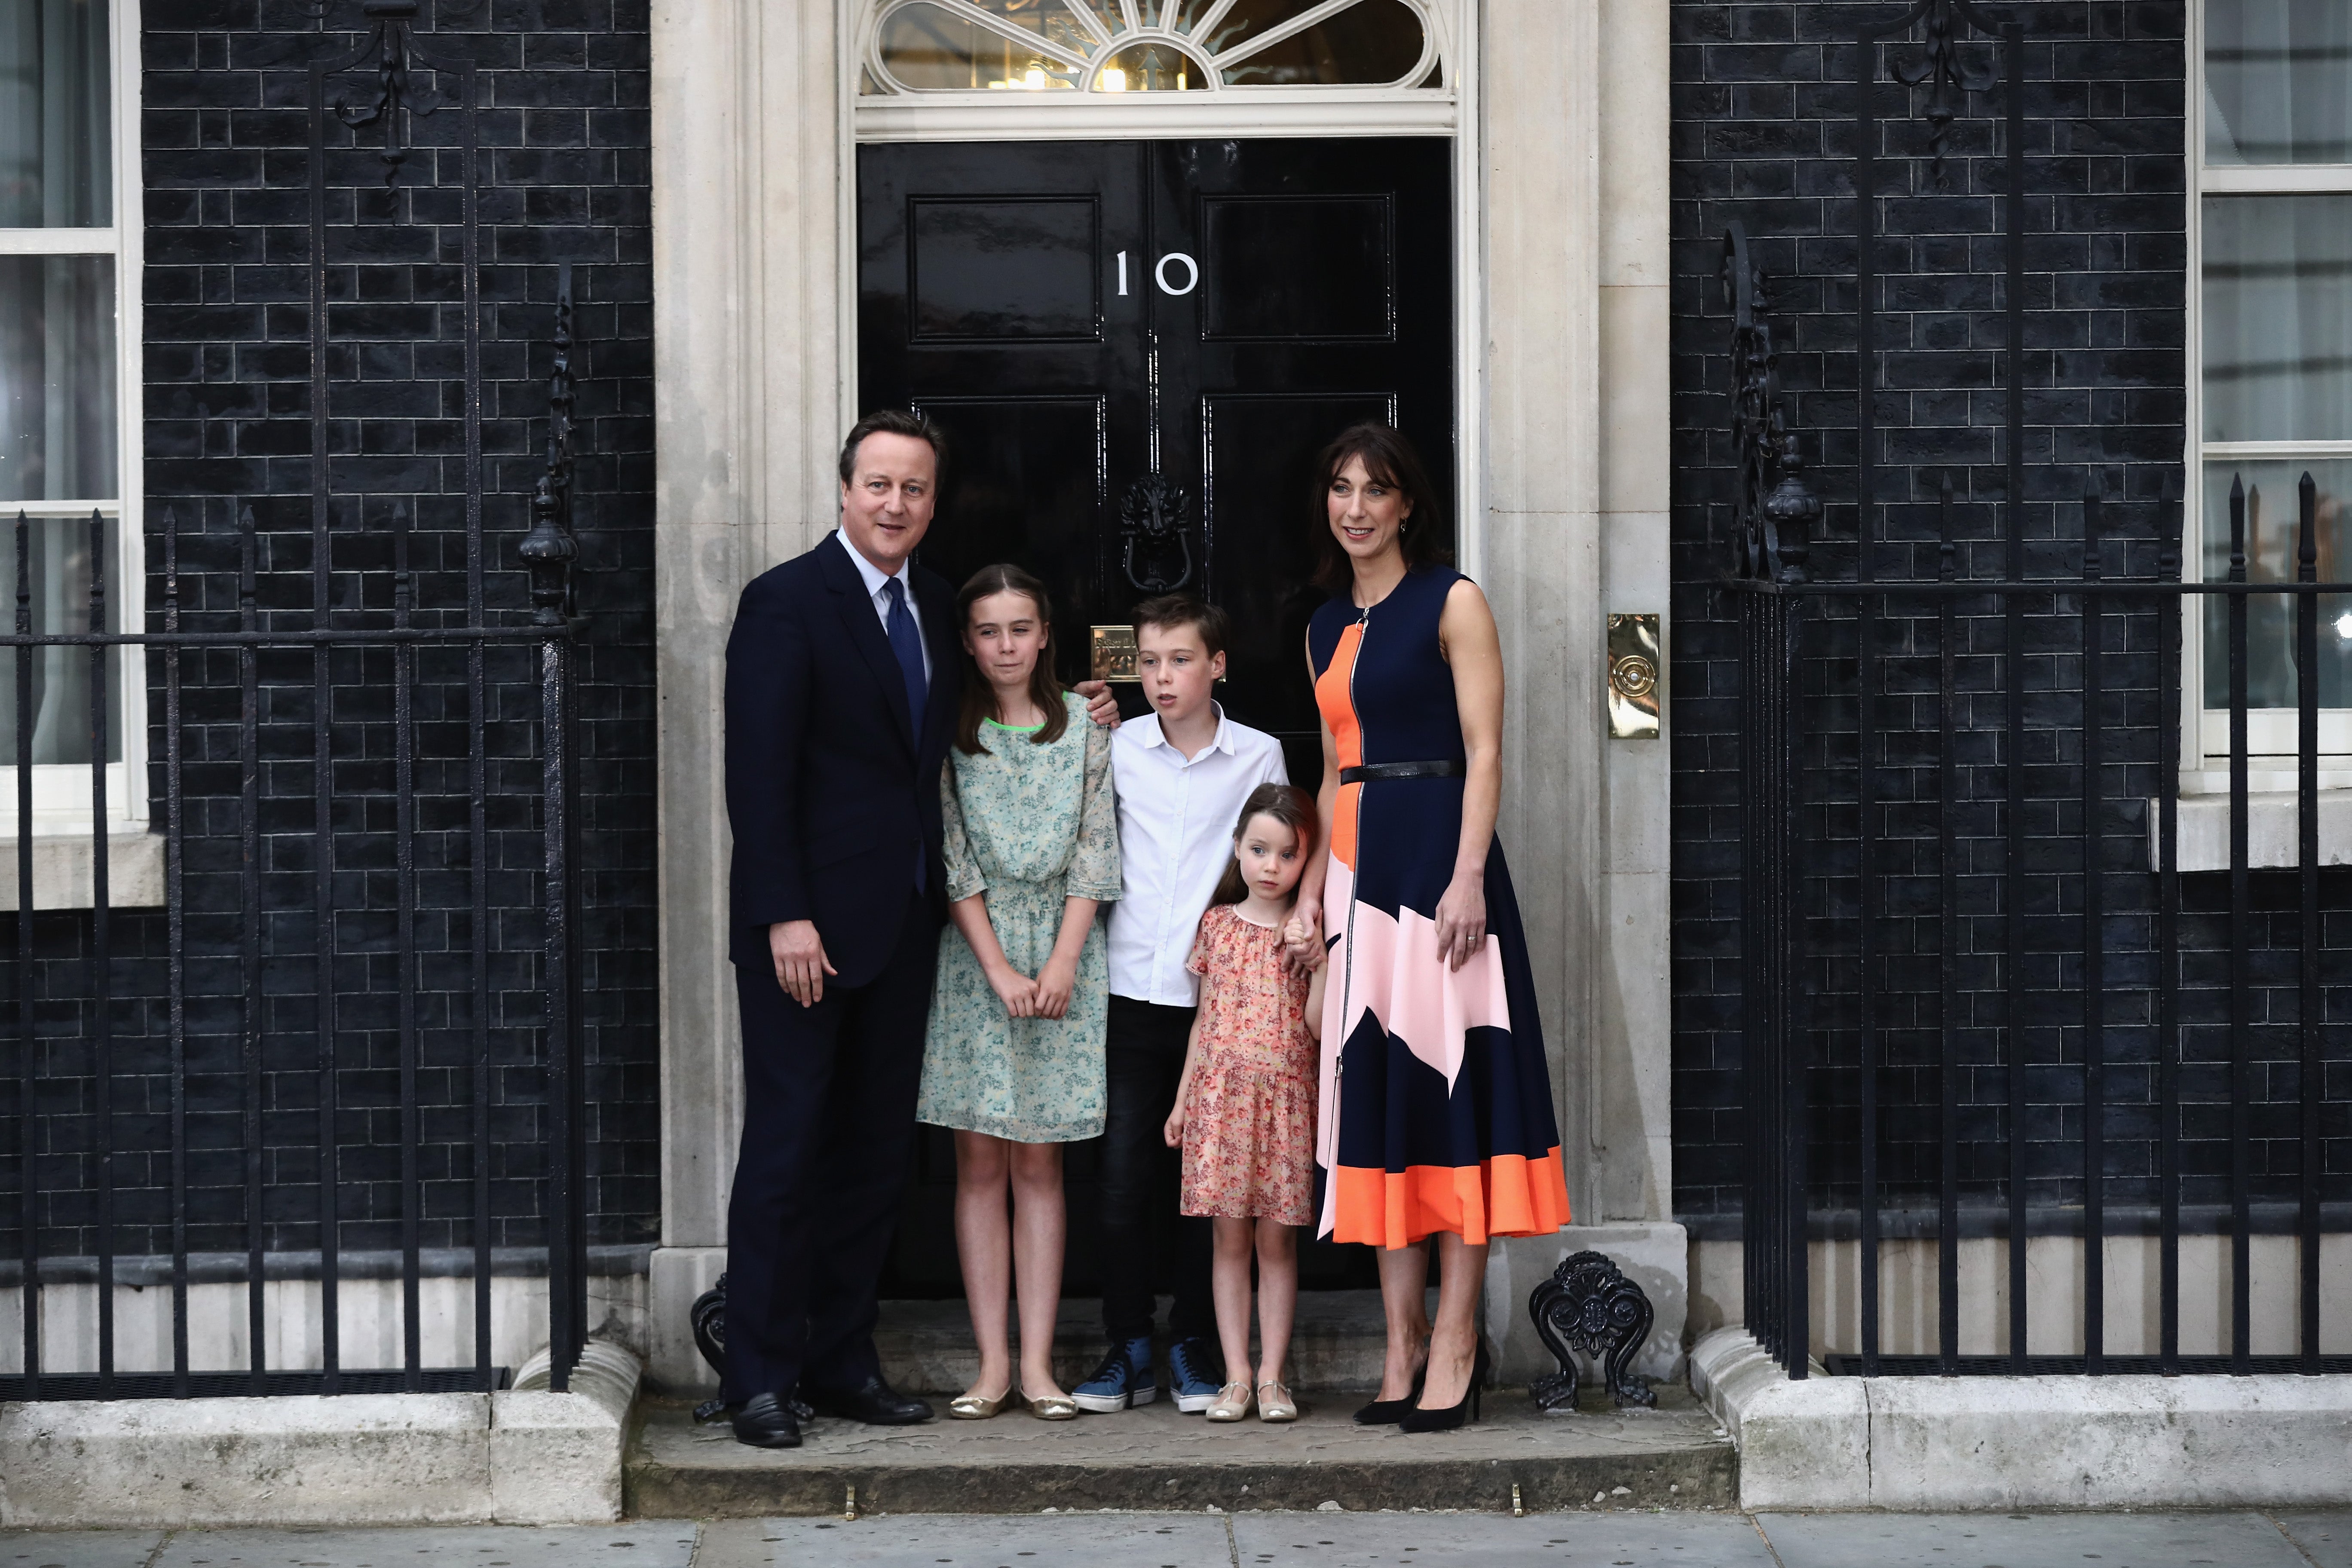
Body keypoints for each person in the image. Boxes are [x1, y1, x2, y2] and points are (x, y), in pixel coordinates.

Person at [719, 412, 1117, 1450]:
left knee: (869, 1158)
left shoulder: (941, 607)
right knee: (787, 1149)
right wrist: (782, 912)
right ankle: (759, 1376)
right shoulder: (784, 603)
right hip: (804, 935)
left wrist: (1085, 708)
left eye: (914, 489)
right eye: (878, 485)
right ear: (845, 489)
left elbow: (994, 703)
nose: (894, 504)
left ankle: (842, 1361)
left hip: (906, 925)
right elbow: (757, 777)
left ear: (934, 503)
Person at [1286, 421, 1570, 1434]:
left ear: (1409, 504)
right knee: (1382, 1107)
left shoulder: (1452, 601)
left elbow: (1487, 753)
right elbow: (1327, 772)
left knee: (1456, 1102)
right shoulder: (1322, 627)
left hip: (1441, 880)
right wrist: (1315, 913)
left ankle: (1457, 1340)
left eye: (1376, 489)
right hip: (1358, 887)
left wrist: (1465, 878)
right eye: (1340, 486)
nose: (1355, 506)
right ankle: (1400, 1342)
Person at [1071, 597, 1288, 1418]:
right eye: (1151, 662)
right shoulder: (1118, 745)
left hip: (1226, 1006)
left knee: (1214, 1187)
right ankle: (1127, 1346)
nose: (1163, 677)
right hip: (1128, 992)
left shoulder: (1260, 756)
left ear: (1218, 665)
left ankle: (1195, 1343)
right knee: (1123, 1178)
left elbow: (1284, 858)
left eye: (1181, 660)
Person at [916, 564, 1121, 1422]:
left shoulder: (1086, 730)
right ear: (968, 641)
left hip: (1066, 950)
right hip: (977, 957)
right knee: (979, 1163)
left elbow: (1095, 847)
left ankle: (1039, 1365)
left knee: (1041, 1161)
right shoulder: (951, 737)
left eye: (1021, 629)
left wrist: (1064, 960)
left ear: (1046, 637)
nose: (1006, 646)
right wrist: (998, 966)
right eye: (990, 631)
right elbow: (952, 854)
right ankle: (990, 1364)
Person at [1162, 784, 1326, 1424]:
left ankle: (1272, 1378)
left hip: (1285, 1105)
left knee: (1277, 1245)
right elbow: (1204, 1022)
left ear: (1303, 861)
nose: (1270, 866)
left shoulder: (1303, 938)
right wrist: (1182, 1103)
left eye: (1287, 855)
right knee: (1228, 1243)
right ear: (1238, 848)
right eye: (1259, 850)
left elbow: (1315, 1027)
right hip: (1220, 1105)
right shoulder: (1218, 926)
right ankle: (1234, 1376)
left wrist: (1318, 964)